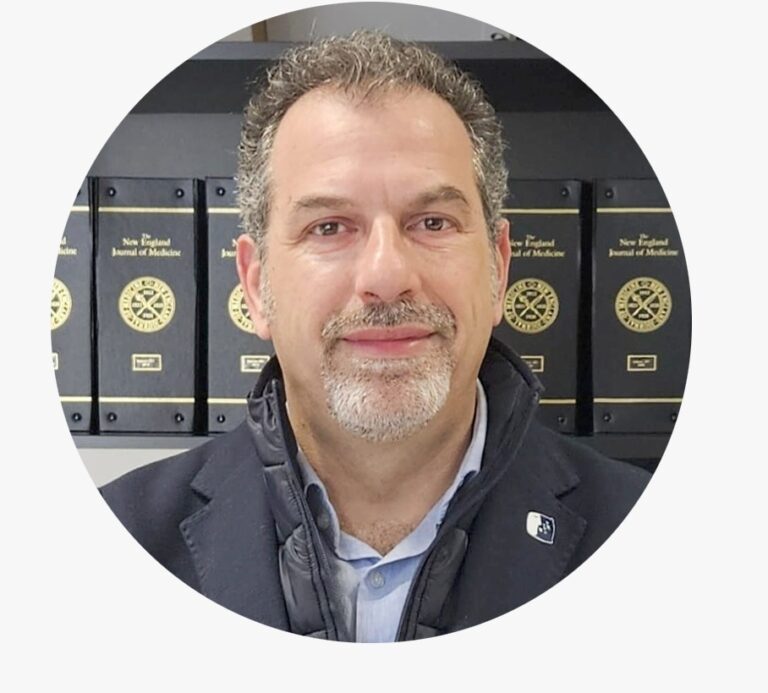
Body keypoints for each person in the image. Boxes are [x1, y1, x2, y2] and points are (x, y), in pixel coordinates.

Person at [101, 31, 650, 642]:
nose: (386, 277)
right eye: (329, 227)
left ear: (498, 269)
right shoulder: (109, 548)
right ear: (256, 286)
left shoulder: (655, 541)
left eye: (433, 222)